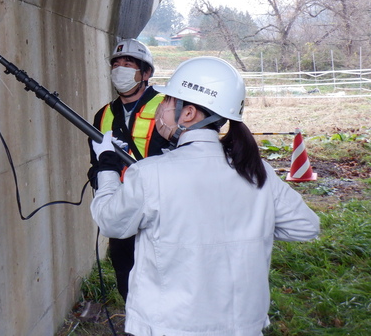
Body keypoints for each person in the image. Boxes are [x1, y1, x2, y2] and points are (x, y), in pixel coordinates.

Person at [89, 56, 320, 336]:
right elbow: (305, 226)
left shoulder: (152, 174)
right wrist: (246, 229)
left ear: (188, 114)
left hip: (170, 327)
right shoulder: (257, 171)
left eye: (167, 101)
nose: (160, 108)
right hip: (243, 326)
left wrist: (106, 169)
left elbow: (111, 222)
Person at [87, 38, 169, 301]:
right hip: (122, 206)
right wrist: (101, 179)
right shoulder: (103, 115)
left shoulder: (168, 107)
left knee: (162, 274)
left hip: (161, 209)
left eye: (128, 63)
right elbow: (96, 164)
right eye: (116, 64)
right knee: (126, 271)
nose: (120, 69)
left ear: (146, 73)